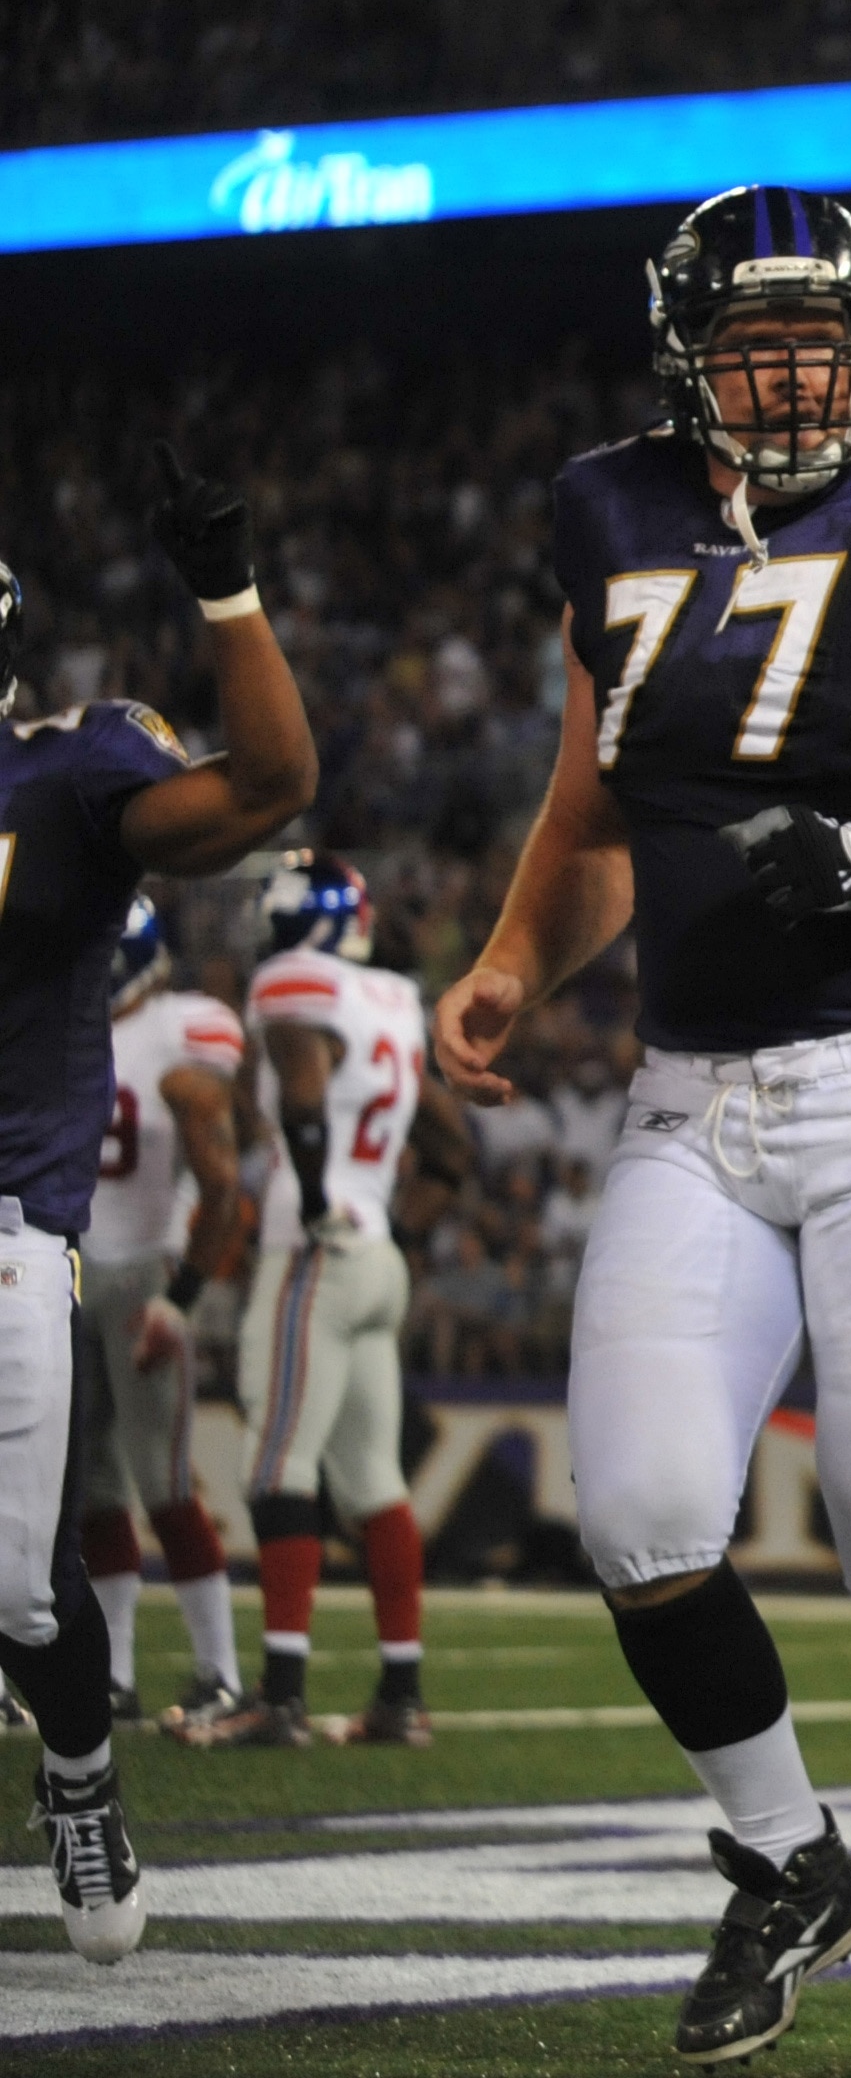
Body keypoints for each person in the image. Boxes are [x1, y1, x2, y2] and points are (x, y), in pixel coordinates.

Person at [431, 186, 851, 2078]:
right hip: (691, 1086)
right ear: (688, 361)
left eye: (819, 340)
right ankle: (787, 1853)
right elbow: (591, 812)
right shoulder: (612, 510)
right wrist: (509, 967)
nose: (795, 375)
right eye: (753, 345)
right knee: (643, 1515)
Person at [0, 464, 320, 1964]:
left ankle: (80, 1782)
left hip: (11, 1225)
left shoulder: (62, 774)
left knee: (19, 1585)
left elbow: (268, 786)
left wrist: (228, 598)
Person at [177, 853, 473, 1747]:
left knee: (276, 1466)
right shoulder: (390, 998)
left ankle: (281, 1696)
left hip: (319, 1248)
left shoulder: (295, 985)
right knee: (374, 1482)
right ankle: (401, 1695)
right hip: (374, 1247)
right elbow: (449, 1143)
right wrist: (400, 1230)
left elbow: (303, 1093)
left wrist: (311, 1200)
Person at [76, 897, 252, 1735]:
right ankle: (112, 1674)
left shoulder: (186, 1030)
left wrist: (179, 1301)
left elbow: (223, 1175)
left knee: (165, 1484)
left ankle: (219, 1671)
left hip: (144, 1267)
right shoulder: (65, 1022)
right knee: (93, 1492)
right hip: (69, 1270)